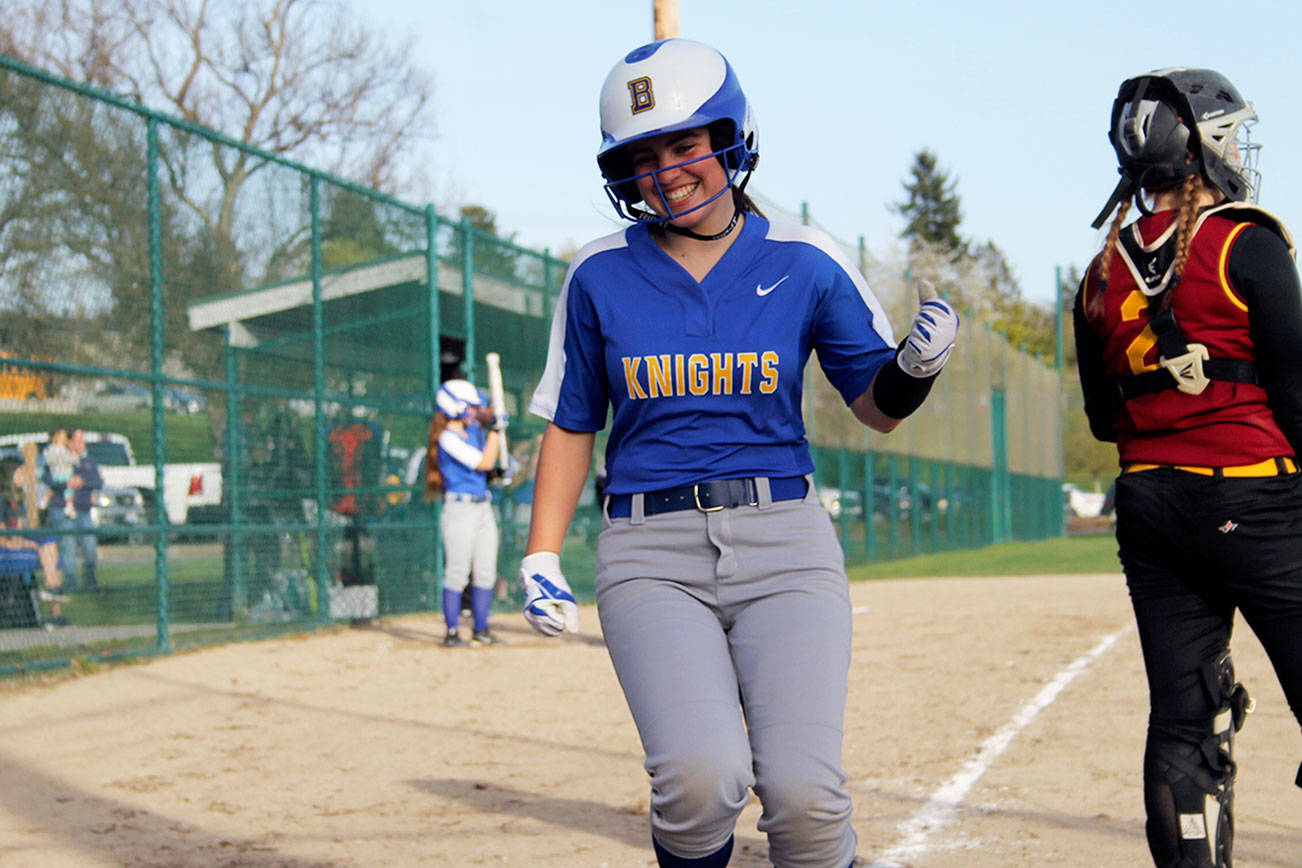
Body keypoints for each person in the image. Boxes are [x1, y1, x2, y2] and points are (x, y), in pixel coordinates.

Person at [517, 38, 959, 868]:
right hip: (649, 552)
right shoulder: (598, 273)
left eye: (686, 145)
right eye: (642, 155)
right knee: (698, 779)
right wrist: (542, 552)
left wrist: (913, 372)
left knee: (803, 797)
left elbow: (877, 408)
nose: (667, 170)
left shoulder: (806, 255)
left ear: (733, 136)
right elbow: (574, 421)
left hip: (784, 541)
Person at [1074, 67, 1302, 868]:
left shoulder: (1099, 274)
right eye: (1230, 133)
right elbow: (1296, 390)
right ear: (1202, 147)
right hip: (1255, 494)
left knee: (1183, 713)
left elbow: (1107, 420)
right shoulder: (1247, 241)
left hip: (1149, 504)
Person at [427, 378, 505, 647]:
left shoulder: (473, 433)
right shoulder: (447, 438)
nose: (474, 412)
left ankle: (481, 629)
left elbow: (490, 465)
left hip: (482, 506)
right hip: (459, 509)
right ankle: (451, 632)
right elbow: (484, 462)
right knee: (458, 572)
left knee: (486, 571)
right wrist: (496, 430)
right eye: (470, 407)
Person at [0, 457, 66, 626]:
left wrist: (25, 542)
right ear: (9, 474)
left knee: (50, 545)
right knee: (47, 550)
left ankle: (55, 608)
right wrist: (26, 544)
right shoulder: (2, 500)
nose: (25, 476)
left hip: (16, 545)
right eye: (21, 472)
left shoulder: (19, 500)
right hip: (5, 550)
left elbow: (20, 533)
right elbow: (2, 538)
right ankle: (52, 590)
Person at [43, 428, 102, 593]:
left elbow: (97, 480)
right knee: (67, 547)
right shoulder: (57, 458)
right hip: (62, 509)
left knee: (90, 548)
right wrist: (66, 484)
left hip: (83, 510)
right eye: (78, 440)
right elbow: (47, 477)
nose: (82, 444)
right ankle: (70, 585)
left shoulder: (87, 461)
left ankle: (91, 583)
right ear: (69, 442)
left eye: (83, 440)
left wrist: (82, 481)